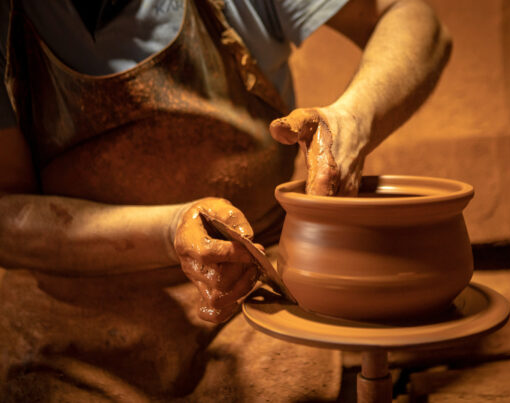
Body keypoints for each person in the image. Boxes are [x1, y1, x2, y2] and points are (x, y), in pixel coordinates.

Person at [0, 0, 451, 400]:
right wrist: (168, 228)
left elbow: (413, 20)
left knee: (285, 388)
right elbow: (6, 215)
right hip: (72, 291)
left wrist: (355, 118)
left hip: (255, 278)